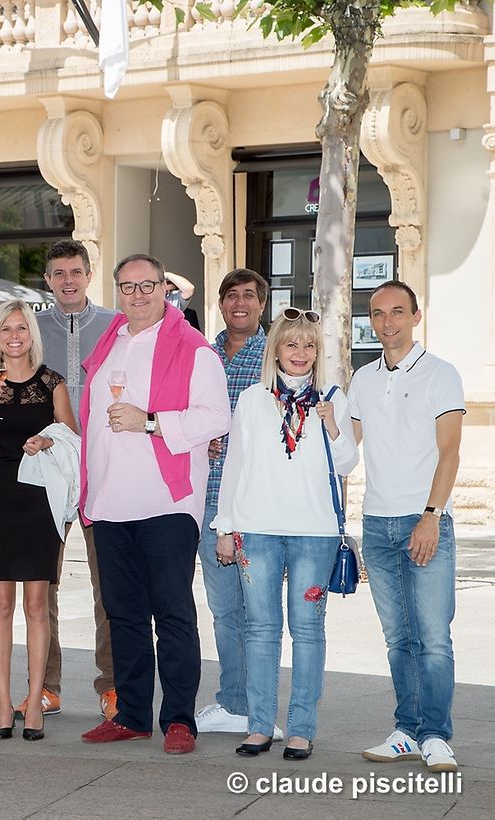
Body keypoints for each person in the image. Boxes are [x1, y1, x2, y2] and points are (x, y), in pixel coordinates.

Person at [79, 253, 229, 755]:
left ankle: (180, 719)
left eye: (148, 286)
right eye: (128, 286)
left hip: (166, 500)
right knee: (121, 614)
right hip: (110, 500)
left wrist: (150, 421)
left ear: (166, 288)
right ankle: (132, 715)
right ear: (118, 291)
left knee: (173, 613)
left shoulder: (194, 348)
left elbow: (216, 417)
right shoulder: (110, 340)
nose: (138, 295)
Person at [213, 308, 358, 761]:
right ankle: (259, 726)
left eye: (309, 345)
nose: (300, 353)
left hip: (312, 532)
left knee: (308, 630)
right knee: (260, 630)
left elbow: (348, 464)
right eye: (292, 344)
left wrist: (332, 423)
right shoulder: (255, 400)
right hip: (256, 531)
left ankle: (301, 729)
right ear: (275, 348)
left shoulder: (331, 398)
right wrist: (225, 526)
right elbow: (234, 465)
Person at [351, 281, 464, 773]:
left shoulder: (441, 374)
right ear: (370, 321)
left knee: (434, 637)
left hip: (426, 521)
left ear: (417, 316)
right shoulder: (363, 379)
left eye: (398, 312)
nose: (388, 322)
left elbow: (450, 451)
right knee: (399, 638)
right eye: (378, 314)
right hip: (377, 524)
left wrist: (431, 516)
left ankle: (436, 735)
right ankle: (407, 730)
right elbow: (340, 450)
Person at [0, 300, 77, 742]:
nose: (14, 336)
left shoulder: (52, 383)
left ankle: (34, 703)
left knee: (36, 605)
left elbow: (71, 439)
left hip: (39, 500)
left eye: (22, 328)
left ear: (33, 334)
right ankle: (3, 705)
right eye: (7, 329)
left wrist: (45, 440)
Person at [33, 239, 118, 720]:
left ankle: (112, 686)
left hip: (103, 469)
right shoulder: (32, 327)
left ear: (89, 275)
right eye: (58, 273)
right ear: (48, 280)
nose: (68, 280)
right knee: (42, 581)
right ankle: (46, 685)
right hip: (47, 469)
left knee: (109, 585)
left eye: (76, 272)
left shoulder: (114, 325)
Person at [194, 268, 281, 738]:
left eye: (249, 295)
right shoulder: (202, 355)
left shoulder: (275, 354)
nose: (240, 303)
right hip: (207, 501)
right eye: (232, 296)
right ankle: (234, 703)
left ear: (262, 305)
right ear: (221, 304)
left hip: (256, 502)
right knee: (226, 609)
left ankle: (258, 707)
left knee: (260, 613)